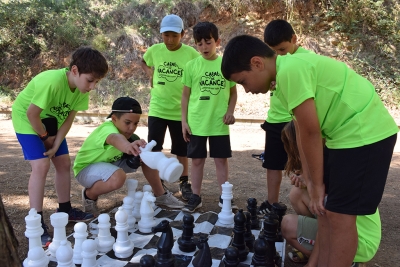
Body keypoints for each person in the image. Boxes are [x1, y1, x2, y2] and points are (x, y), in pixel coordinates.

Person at [221, 35, 398, 266]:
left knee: (340, 218)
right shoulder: (285, 77)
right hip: (346, 138)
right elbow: (304, 138)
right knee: (326, 213)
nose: (246, 89)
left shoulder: (290, 71)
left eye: (243, 81)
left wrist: (316, 186)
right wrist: (312, 181)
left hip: (364, 134)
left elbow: (312, 133)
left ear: (257, 63)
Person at [11, 47, 109, 247]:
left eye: (97, 82)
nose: (92, 86)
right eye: (90, 80)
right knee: (41, 166)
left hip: (51, 121)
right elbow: (32, 114)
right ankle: (36, 223)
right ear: (74, 71)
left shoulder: (81, 90)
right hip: (27, 119)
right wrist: (45, 137)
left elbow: (68, 119)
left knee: (63, 163)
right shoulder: (53, 82)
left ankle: (65, 209)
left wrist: (55, 142)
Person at [280, 121, 381, 266]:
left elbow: (326, 225)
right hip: (356, 232)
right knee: (297, 194)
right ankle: (322, 251)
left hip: (361, 241)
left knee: (287, 225)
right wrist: (307, 183)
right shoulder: (331, 159)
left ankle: (346, 260)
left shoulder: (329, 173)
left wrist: (312, 265)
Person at [73, 97, 185, 214]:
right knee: (118, 177)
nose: (132, 128)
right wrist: (128, 147)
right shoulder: (107, 129)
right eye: (127, 122)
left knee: (147, 156)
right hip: (85, 170)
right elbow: (115, 138)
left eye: (136, 123)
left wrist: (141, 153)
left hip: (108, 165)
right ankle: (89, 195)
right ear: (114, 119)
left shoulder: (132, 137)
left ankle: (160, 195)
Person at [257, 19, 314, 215]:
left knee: (302, 164)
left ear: (294, 39)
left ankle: (307, 206)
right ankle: (271, 204)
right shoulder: (273, 60)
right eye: (275, 51)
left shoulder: (307, 59)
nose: (280, 55)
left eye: (282, 49)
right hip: (274, 119)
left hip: (295, 120)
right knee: (272, 164)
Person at [140, 14, 200, 201]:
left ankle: (184, 182)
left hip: (180, 112)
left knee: (182, 150)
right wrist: (149, 71)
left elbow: (201, 69)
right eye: (166, 35)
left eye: (174, 35)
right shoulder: (155, 50)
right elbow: (144, 61)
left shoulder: (191, 54)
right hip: (158, 108)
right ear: (161, 34)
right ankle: (159, 182)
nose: (170, 40)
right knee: (155, 147)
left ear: (182, 34)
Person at [180, 21, 237, 212]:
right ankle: (195, 196)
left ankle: (225, 197)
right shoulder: (191, 66)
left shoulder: (226, 65)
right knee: (196, 161)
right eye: (199, 43)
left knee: (221, 160)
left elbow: (233, 92)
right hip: (197, 122)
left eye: (208, 42)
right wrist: (184, 122)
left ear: (217, 42)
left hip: (219, 123)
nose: (204, 47)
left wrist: (230, 112)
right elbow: (186, 96)